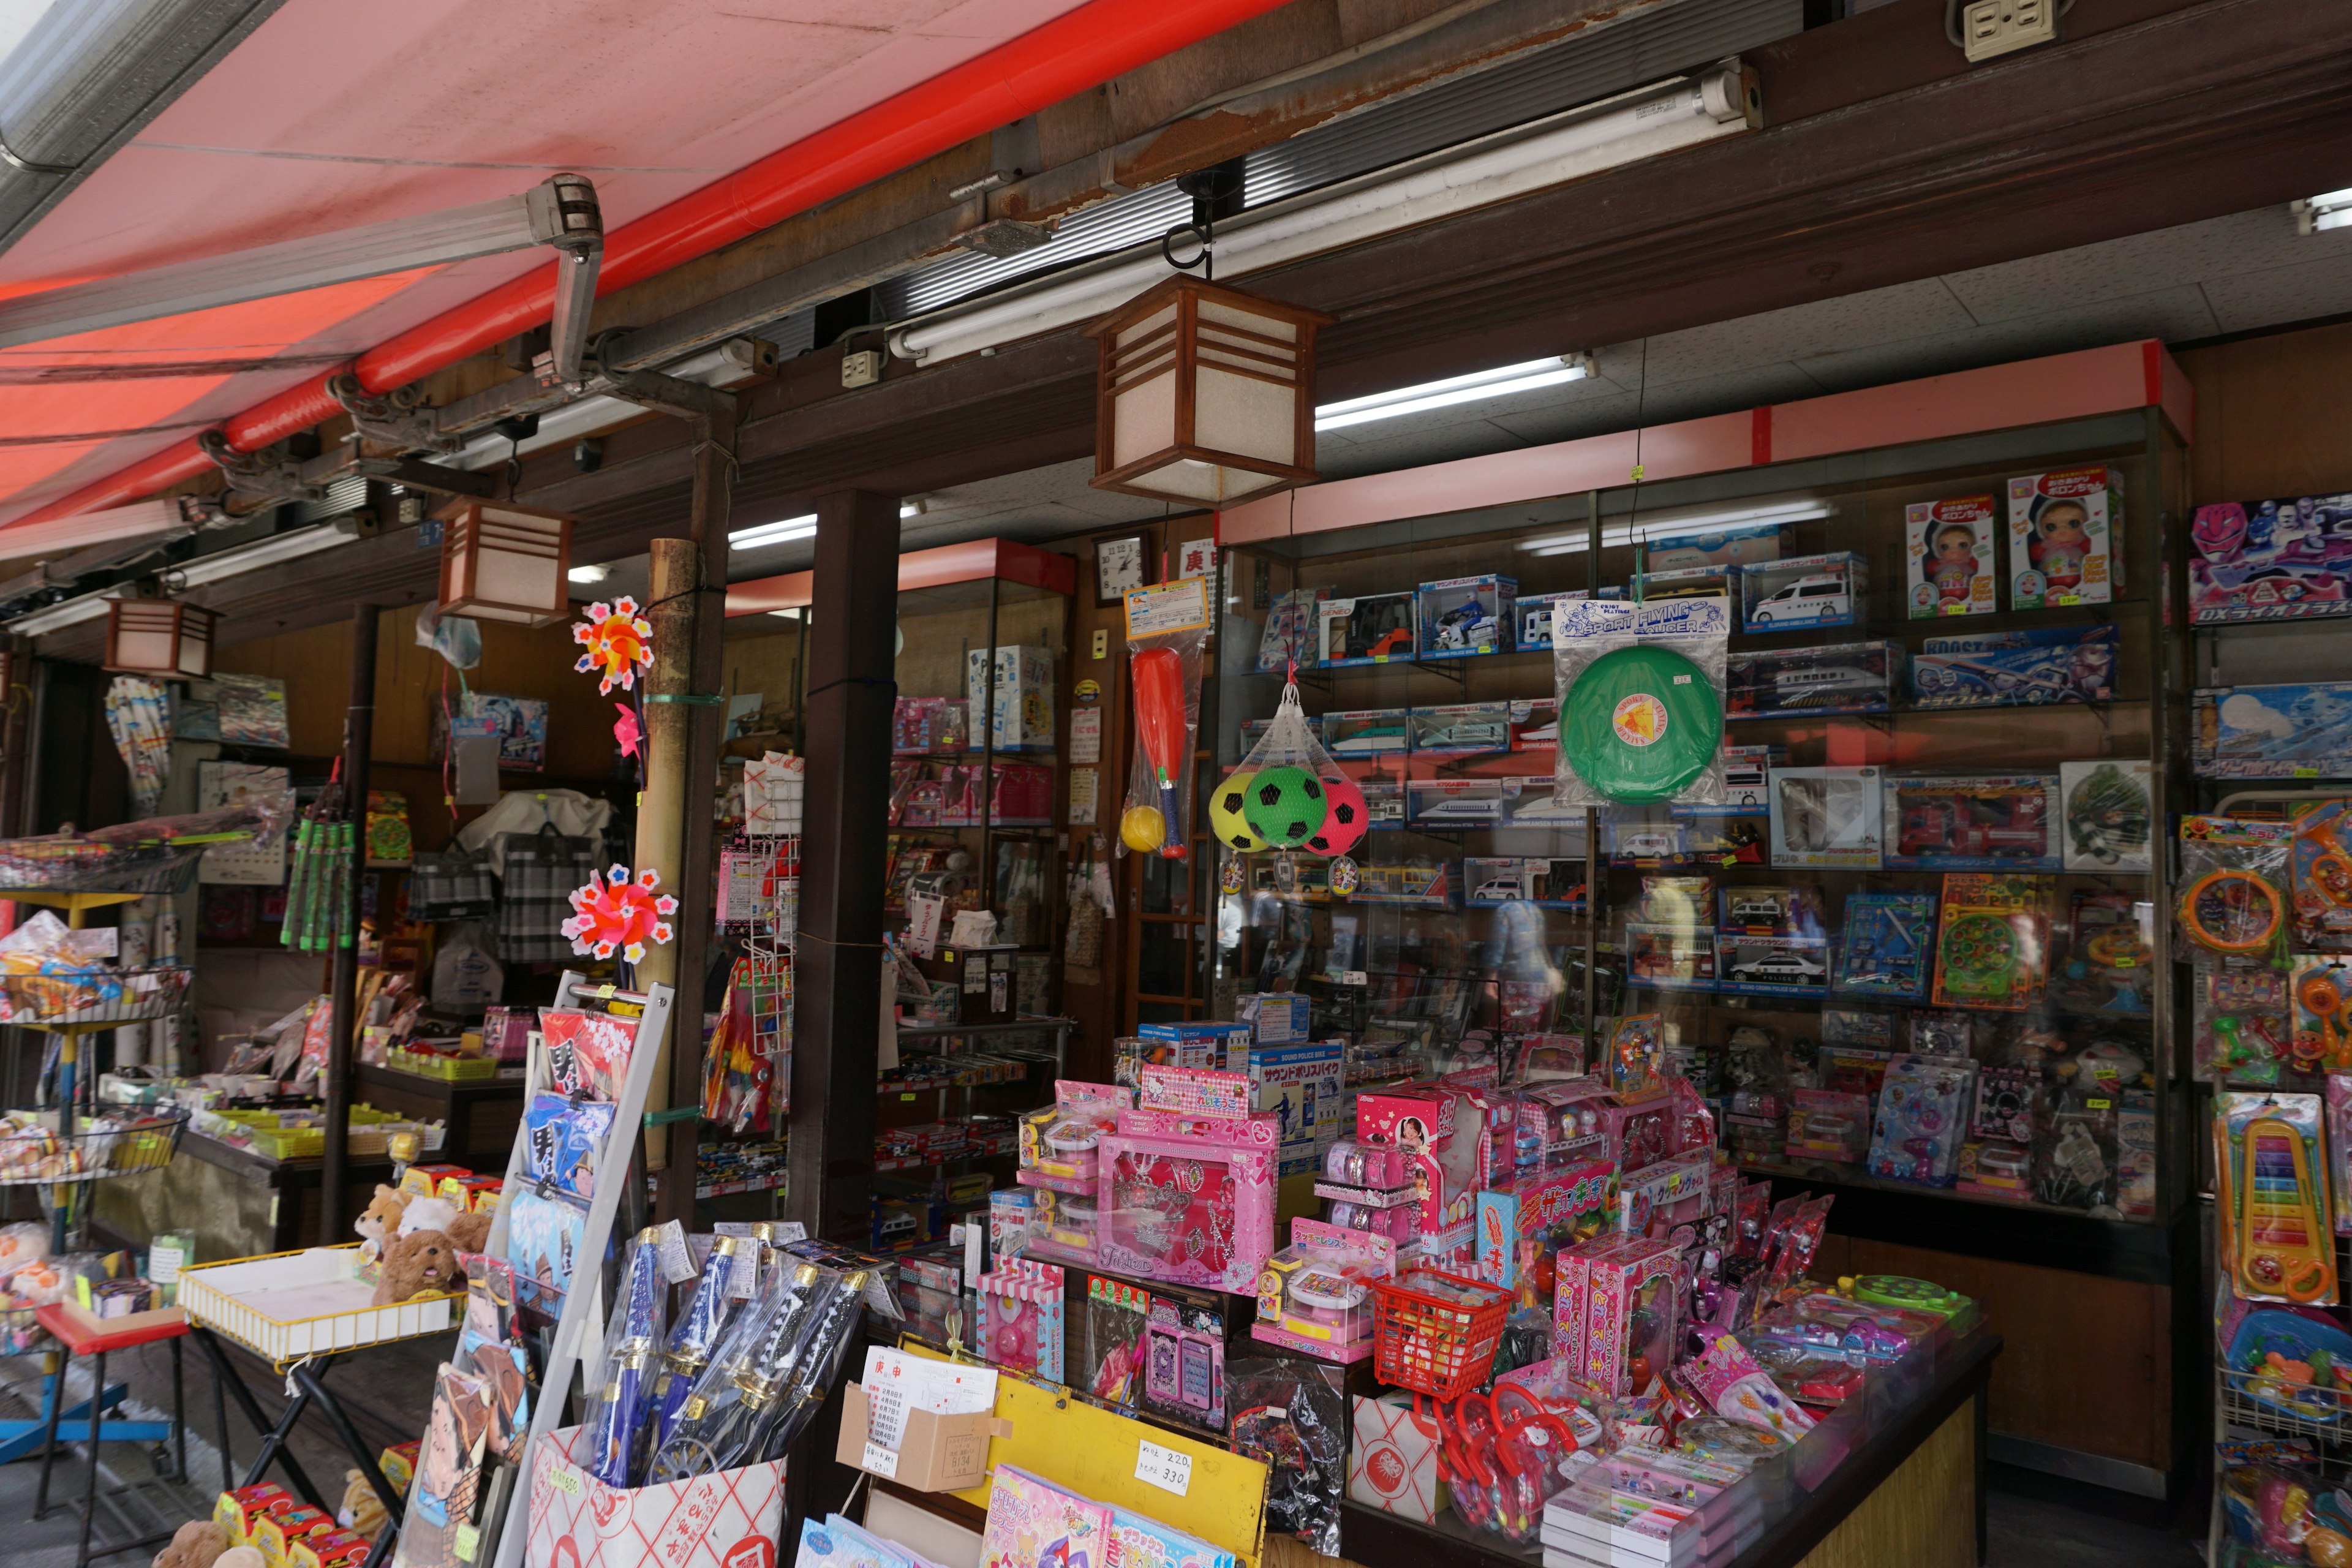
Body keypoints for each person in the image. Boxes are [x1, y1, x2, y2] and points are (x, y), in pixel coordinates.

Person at [2026, 497, 2092, 594]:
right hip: (2048, 579)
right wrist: (2037, 549)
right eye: (2052, 527)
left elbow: (2090, 549)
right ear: (2040, 529)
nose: (2063, 531)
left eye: (2073, 524)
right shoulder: (2046, 546)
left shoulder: (2080, 544)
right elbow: (2035, 554)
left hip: (2081, 578)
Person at [1927, 519, 1981, 609]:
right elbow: (1930, 569)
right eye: (1945, 547)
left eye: (1962, 545)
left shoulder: (1969, 563)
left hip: (1969, 594)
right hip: (1942, 594)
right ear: (1936, 548)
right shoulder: (1940, 564)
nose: (1953, 551)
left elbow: (1978, 566)